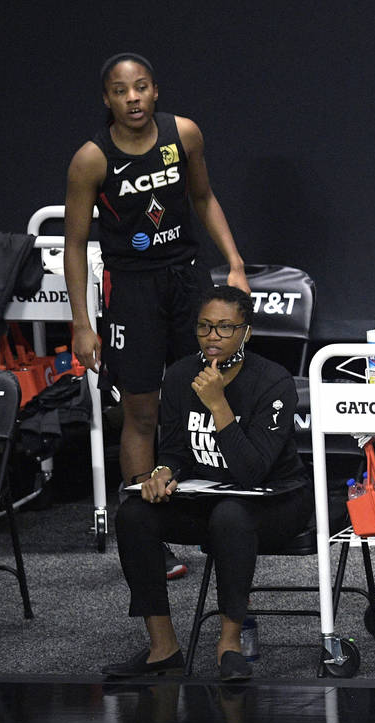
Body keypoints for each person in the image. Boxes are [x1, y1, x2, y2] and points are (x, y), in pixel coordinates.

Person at [63, 53, 250, 579]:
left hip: (189, 279)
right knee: (142, 411)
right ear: (108, 100)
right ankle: (149, 536)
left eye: (141, 87)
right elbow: (75, 244)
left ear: (155, 91)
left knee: (213, 393)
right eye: (121, 91)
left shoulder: (183, 134)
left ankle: (222, 521)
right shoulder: (91, 160)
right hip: (133, 291)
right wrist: (82, 322)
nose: (133, 98)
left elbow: (204, 197)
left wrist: (233, 262)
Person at [101, 285, 312, 681]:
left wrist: (218, 404)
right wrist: (164, 472)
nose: (213, 337)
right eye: (204, 327)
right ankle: (162, 647)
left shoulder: (273, 382)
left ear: (246, 333)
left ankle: (229, 644)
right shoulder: (181, 375)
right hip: (207, 498)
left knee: (232, 516)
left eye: (225, 328)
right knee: (134, 514)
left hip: (275, 502)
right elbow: (178, 451)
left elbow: (253, 472)